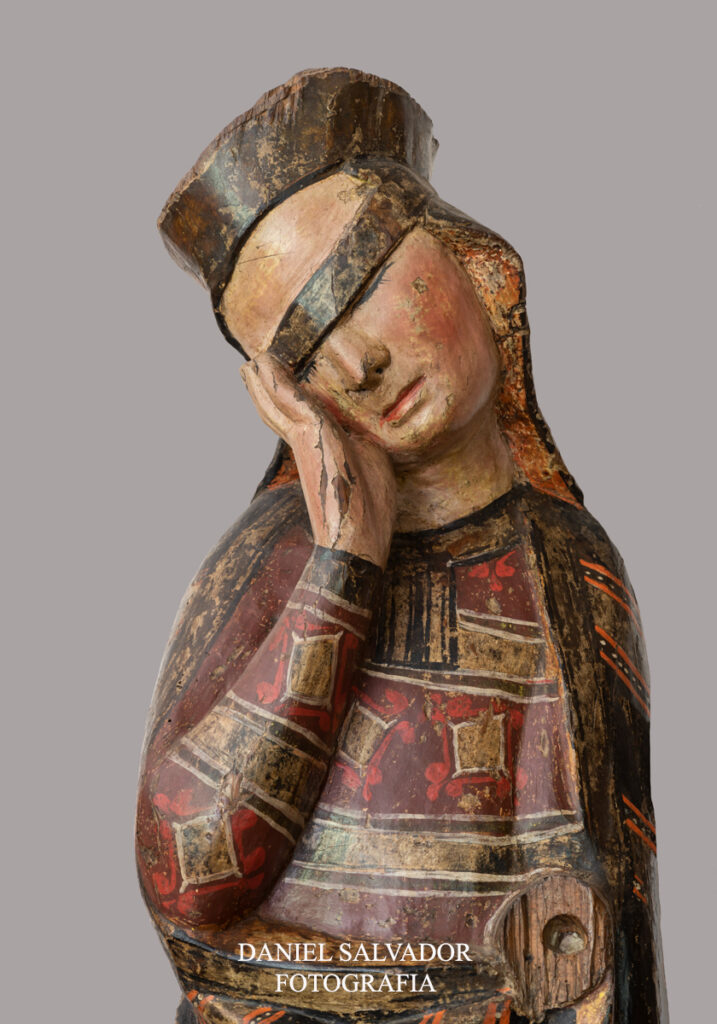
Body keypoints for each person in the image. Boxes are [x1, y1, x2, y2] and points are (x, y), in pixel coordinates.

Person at [136, 68, 667, 1024]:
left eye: (358, 286)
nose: (356, 364)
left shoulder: (571, 564)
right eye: (305, 353)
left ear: (464, 254)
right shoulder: (280, 560)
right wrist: (343, 563)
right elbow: (188, 884)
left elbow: (608, 920)